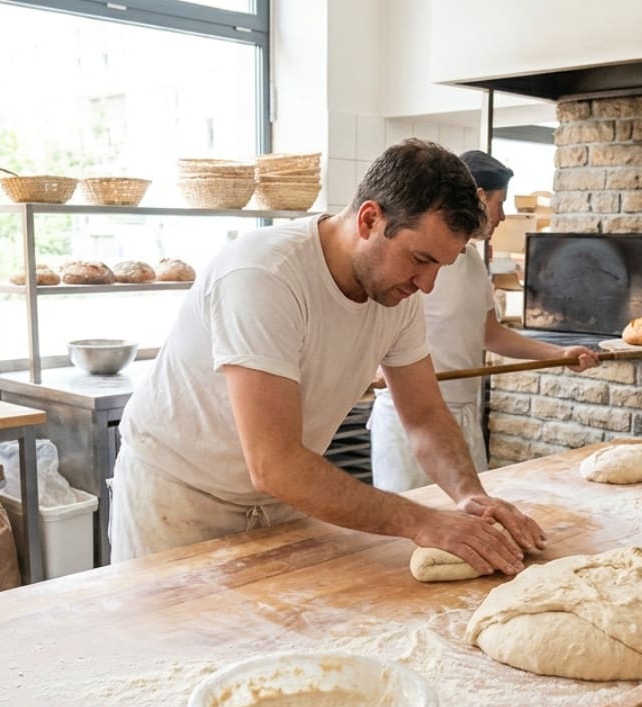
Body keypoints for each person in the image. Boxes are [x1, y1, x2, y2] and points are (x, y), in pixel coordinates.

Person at [110, 139, 545, 575]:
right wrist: (422, 520)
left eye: (439, 267)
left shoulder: (398, 295)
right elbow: (274, 463)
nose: (427, 284)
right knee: (177, 641)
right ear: (370, 219)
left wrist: (469, 495)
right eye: (420, 259)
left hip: (279, 502)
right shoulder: (265, 277)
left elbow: (426, 415)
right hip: (180, 500)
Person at [369, 151, 599, 492]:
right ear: (475, 199)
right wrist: (373, 365)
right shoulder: (411, 261)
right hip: (406, 419)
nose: (503, 216)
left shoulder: (474, 263)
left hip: (461, 417)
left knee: (469, 516)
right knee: (410, 527)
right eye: (499, 203)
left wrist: (557, 355)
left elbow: (490, 334)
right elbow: (374, 320)